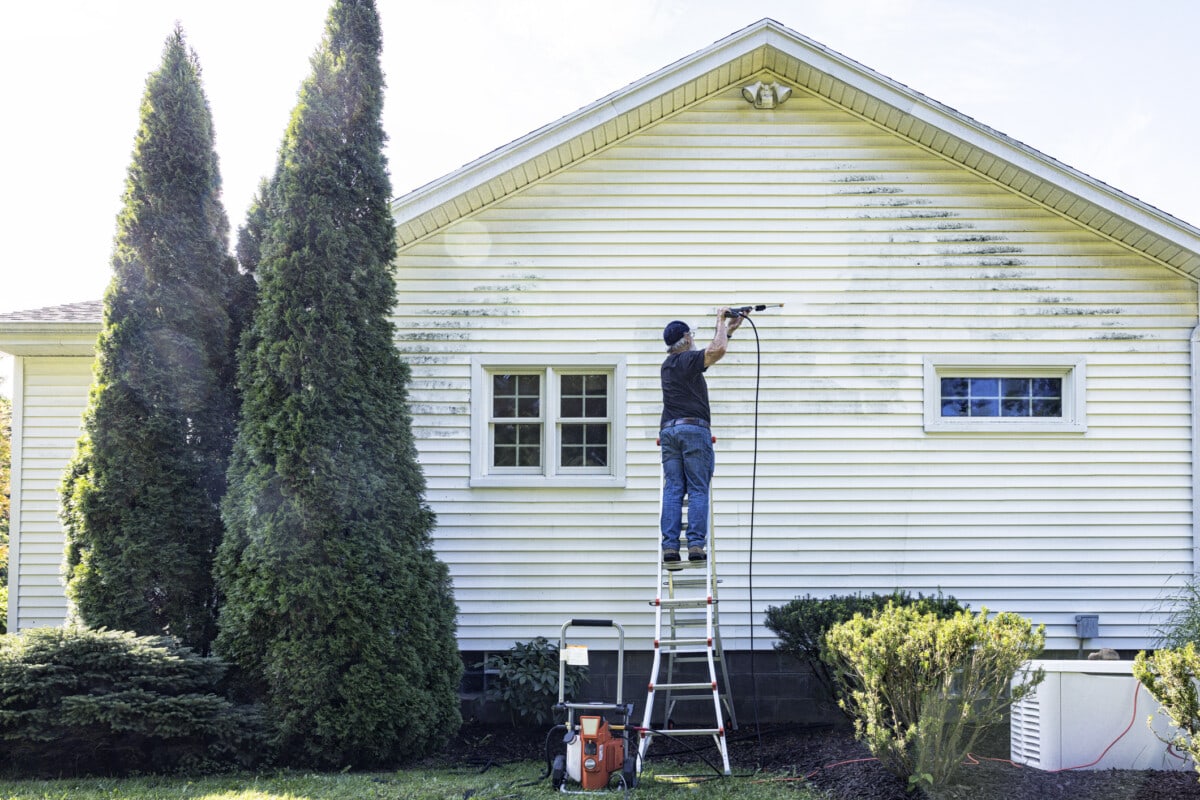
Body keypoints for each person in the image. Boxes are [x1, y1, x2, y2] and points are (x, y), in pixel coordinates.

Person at [659, 307, 747, 564]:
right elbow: (715, 351)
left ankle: (670, 548)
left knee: (674, 489)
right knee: (698, 488)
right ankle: (696, 545)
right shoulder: (687, 360)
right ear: (686, 339)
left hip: (669, 432)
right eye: (692, 336)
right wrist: (720, 319)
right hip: (693, 430)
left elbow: (712, 351)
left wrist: (728, 330)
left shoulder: (669, 365)